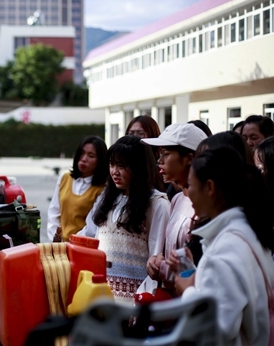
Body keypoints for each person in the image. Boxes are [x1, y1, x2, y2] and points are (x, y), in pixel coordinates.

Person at [171, 146, 274, 345]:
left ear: (209, 188)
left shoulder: (224, 247)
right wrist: (194, 272)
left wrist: (188, 292)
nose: (187, 192)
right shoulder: (249, 230)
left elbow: (218, 329)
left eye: (190, 185)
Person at [78, 135, 170, 305]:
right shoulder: (107, 199)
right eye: (112, 165)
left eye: (122, 166)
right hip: (102, 303)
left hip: (133, 307)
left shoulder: (157, 204)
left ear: (139, 168)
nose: (114, 172)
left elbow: (154, 263)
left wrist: (140, 306)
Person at [140, 123, 207, 283]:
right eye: (159, 154)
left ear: (189, 159)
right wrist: (157, 261)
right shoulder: (176, 199)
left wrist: (165, 268)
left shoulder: (206, 206)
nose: (159, 160)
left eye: (166, 153)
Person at [47, 136, 108, 243]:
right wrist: (56, 239)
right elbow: (53, 212)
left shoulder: (101, 189)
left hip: (83, 246)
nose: (84, 158)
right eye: (82, 153)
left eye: (91, 156)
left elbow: (91, 227)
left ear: (100, 161)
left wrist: (71, 243)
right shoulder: (64, 178)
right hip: (59, 245)